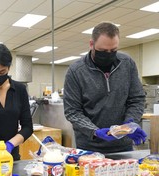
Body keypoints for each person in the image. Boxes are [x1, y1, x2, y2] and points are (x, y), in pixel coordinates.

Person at [63, 21, 147, 154]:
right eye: (103, 51)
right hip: (89, 147)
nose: (108, 54)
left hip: (123, 145)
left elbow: (137, 99)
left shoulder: (127, 64)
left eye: (113, 50)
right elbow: (72, 111)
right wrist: (94, 131)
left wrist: (130, 124)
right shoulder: (76, 71)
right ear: (92, 44)